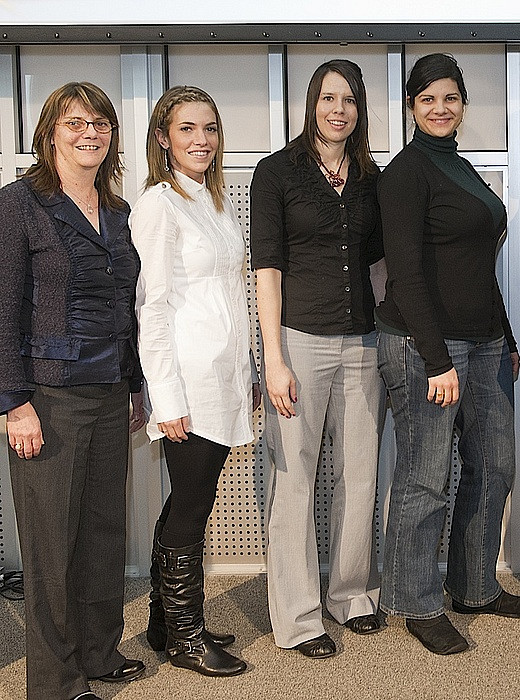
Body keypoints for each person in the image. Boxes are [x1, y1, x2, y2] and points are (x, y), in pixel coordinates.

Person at [377, 52, 520, 656]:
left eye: (450, 98)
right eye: (428, 100)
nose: (440, 109)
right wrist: (437, 359)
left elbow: (478, 265)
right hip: (426, 348)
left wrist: (507, 337)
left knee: (494, 467)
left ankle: (474, 586)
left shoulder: (462, 166)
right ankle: (415, 600)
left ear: (463, 105)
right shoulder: (406, 173)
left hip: (486, 343)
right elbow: (407, 276)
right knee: (425, 478)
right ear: (412, 107)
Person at [0, 82, 146, 700]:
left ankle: (97, 651)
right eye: (76, 123)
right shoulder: (18, 204)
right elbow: (3, 310)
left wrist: (136, 382)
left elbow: (125, 306)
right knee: (52, 551)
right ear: (49, 133)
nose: (90, 134)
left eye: (101, 125)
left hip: (112, 391)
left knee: (103, 532)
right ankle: (56, 685)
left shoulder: (118, 211)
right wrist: (13, 402)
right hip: (48, 398)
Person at [251, 59, 385, 659]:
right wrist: (273, 359)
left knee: (360, 477)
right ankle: (300, 617)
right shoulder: (276, 172)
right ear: (312, 104)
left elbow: (380, 265)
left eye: (349, 100)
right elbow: (268, 271)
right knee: (294, 480)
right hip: (299, 342)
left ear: (359, 111)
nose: (339, 109)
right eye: (329, 98)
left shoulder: (368, 176)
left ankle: (351, 594)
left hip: (361, 344)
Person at [132, 85, 260, 677]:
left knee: (194, 500)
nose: (201, 140)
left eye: (209, 129)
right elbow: (151, 307)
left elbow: (228, 295)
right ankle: (184, 637)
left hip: (222, 377)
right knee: (189, 504)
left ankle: (167, 622)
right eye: (187, 129)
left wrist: (249, 370)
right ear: (164, 138)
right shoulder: (159, 204)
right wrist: (166, 396)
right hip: (186, 382)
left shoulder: (212, 204)